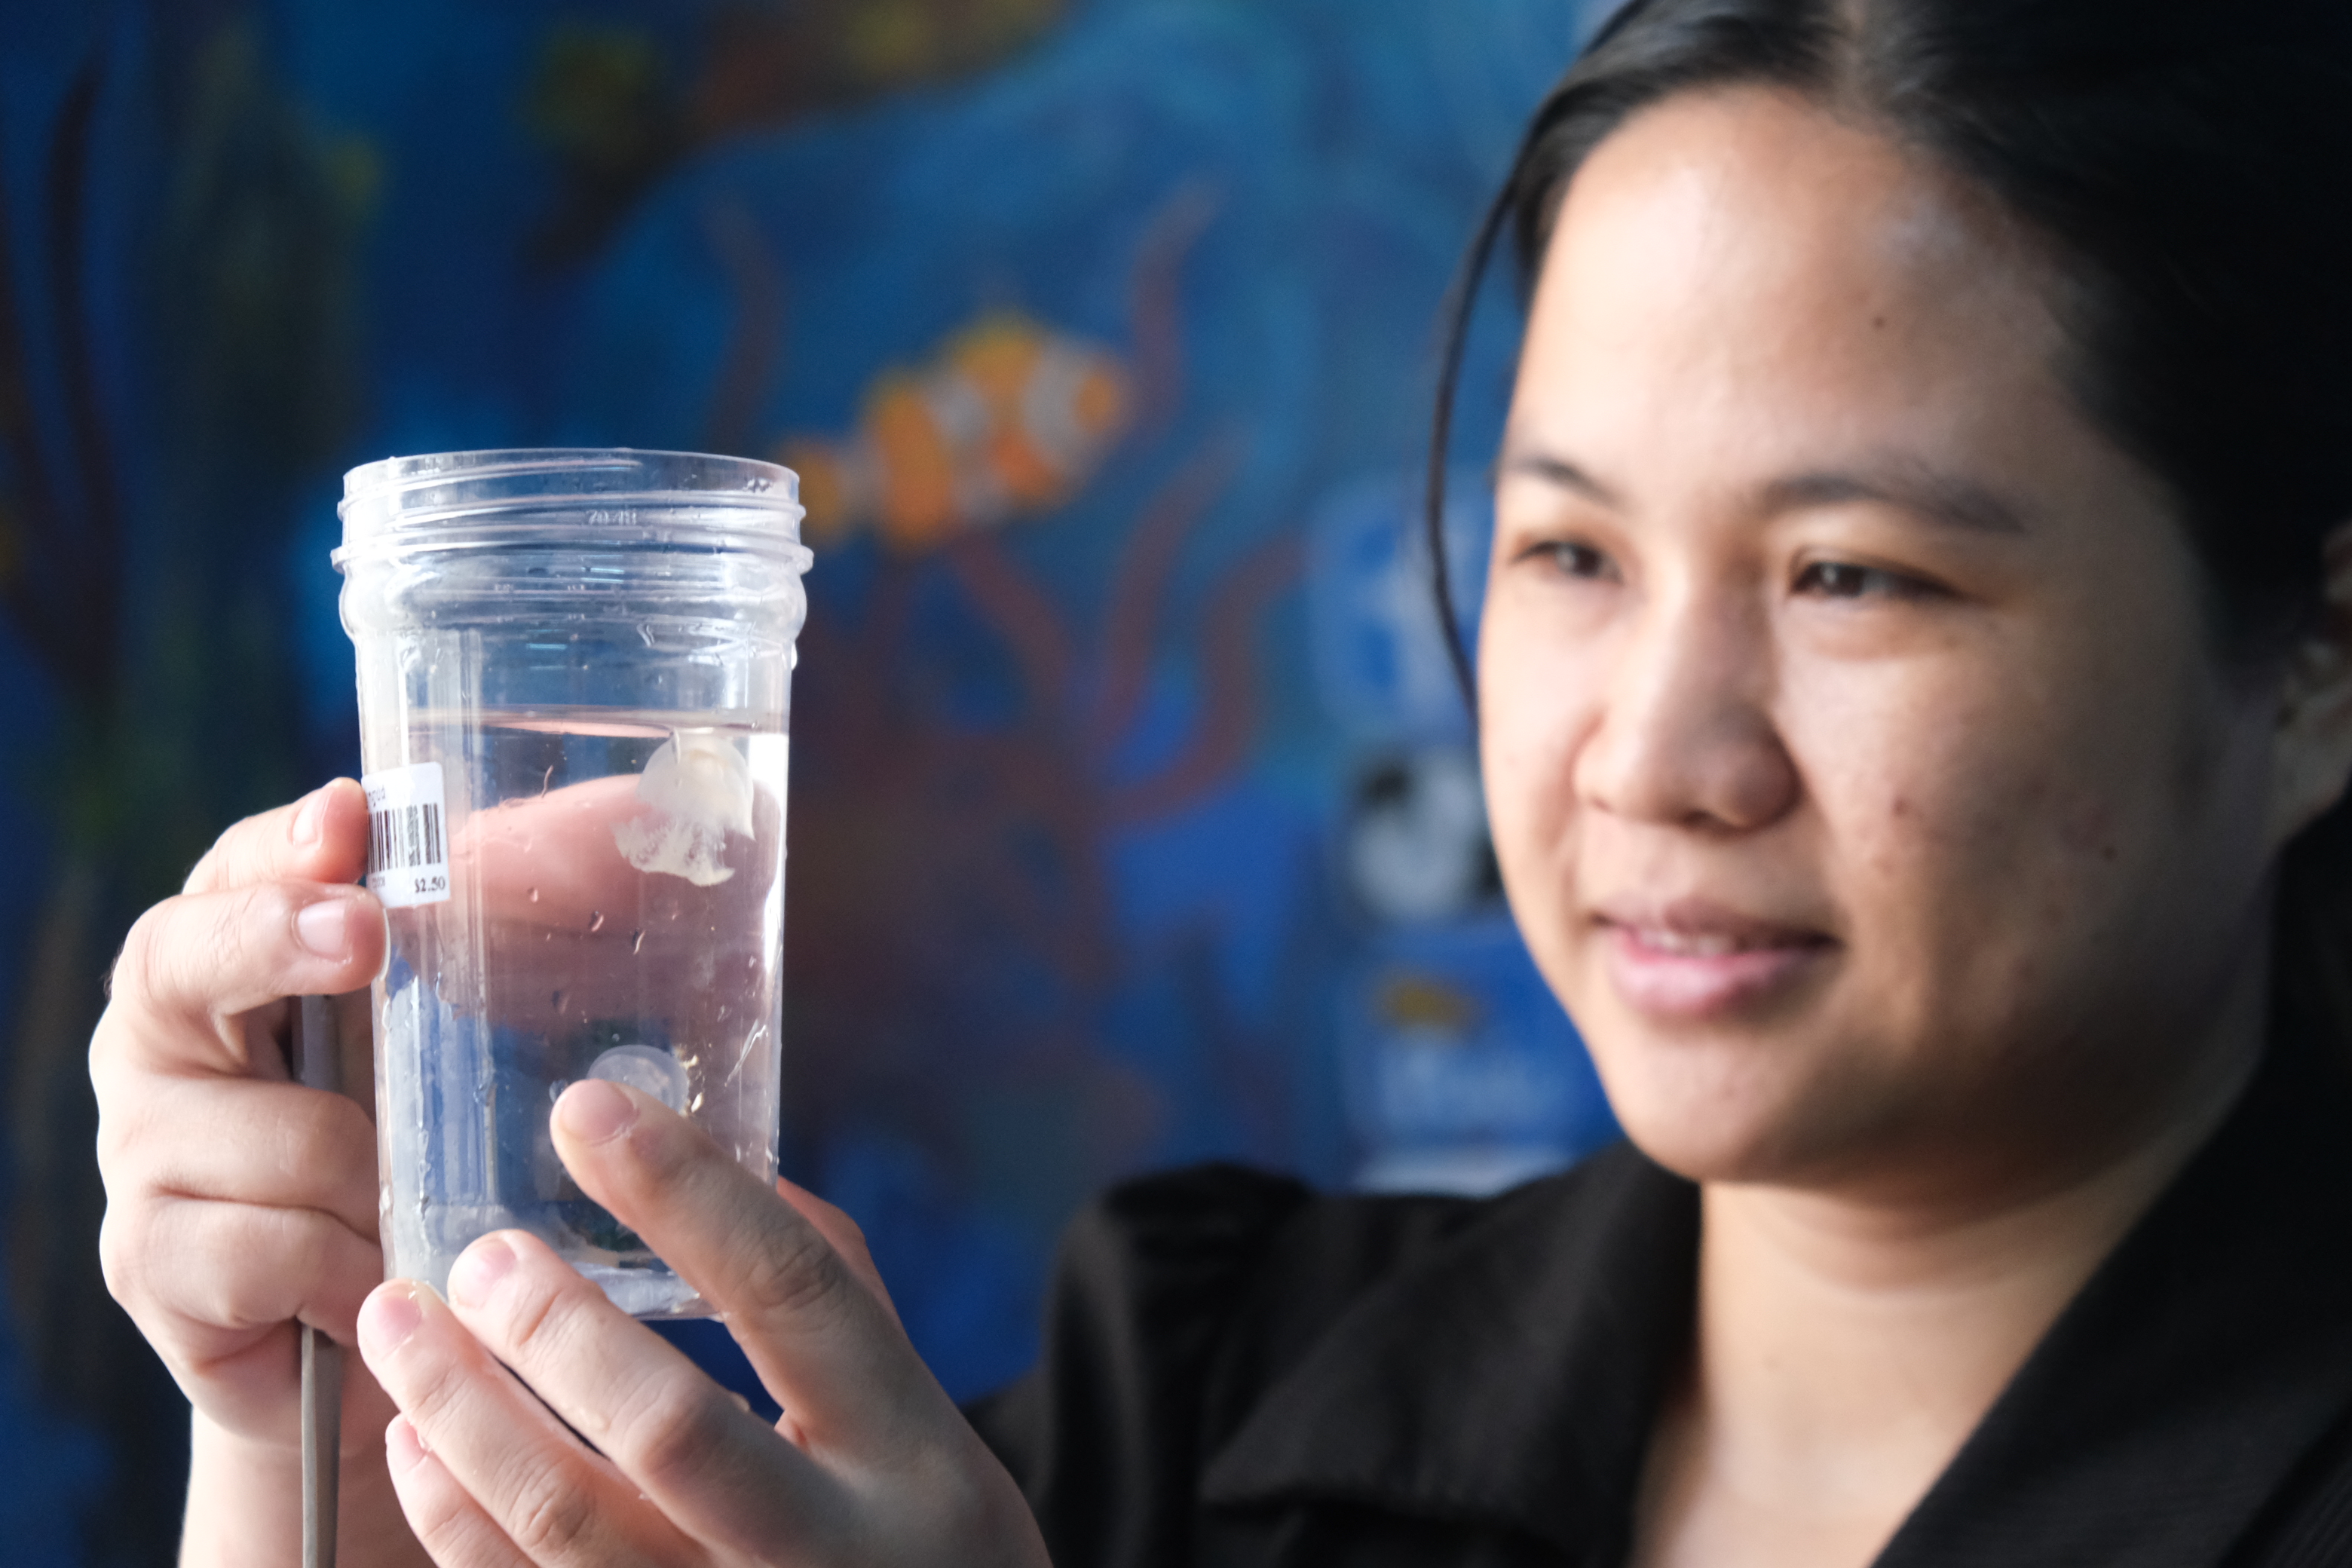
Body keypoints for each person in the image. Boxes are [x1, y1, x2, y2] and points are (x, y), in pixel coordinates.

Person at [89, 0, 2352, 1562]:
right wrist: (328, 1465)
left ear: (2315, 671)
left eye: (1855, 578)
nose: (1653, 756)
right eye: (1567, 549)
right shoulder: (1188, 1396)